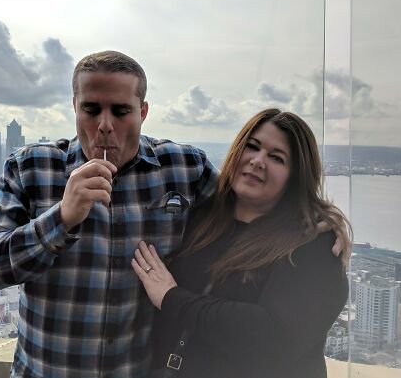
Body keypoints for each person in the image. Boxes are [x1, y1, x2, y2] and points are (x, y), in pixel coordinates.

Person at [0, 50, 218, 378]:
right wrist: (61, 218)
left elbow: (247, 224)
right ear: (75, 106)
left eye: (121, 111)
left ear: (142, 112)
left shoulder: (185, 167)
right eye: (91, 109)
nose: (104, 125)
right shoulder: (31, 167)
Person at [132, 109, 350, 378]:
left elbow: (274, 337)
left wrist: (170, 297)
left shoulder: (314, 245)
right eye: (252, 146)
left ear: (296, 177)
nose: (258, 161)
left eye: (277, 158)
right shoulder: (203, 217)